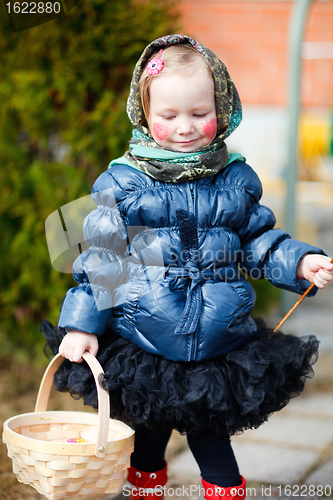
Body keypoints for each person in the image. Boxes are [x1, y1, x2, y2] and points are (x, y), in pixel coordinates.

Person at [42, 35, 333, 500]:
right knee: (147, 442)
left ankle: (222, 491)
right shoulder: (125, 180)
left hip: (217, 343)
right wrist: (82, 324)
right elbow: (101, 259)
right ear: (144, 114)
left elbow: (256, 241)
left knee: (212, 439)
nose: (185, 128)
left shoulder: (235, 177)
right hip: (145, 341)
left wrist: (299, 261)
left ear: (222, 107)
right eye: (169, 116)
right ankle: (145, 489)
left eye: (199, 114)